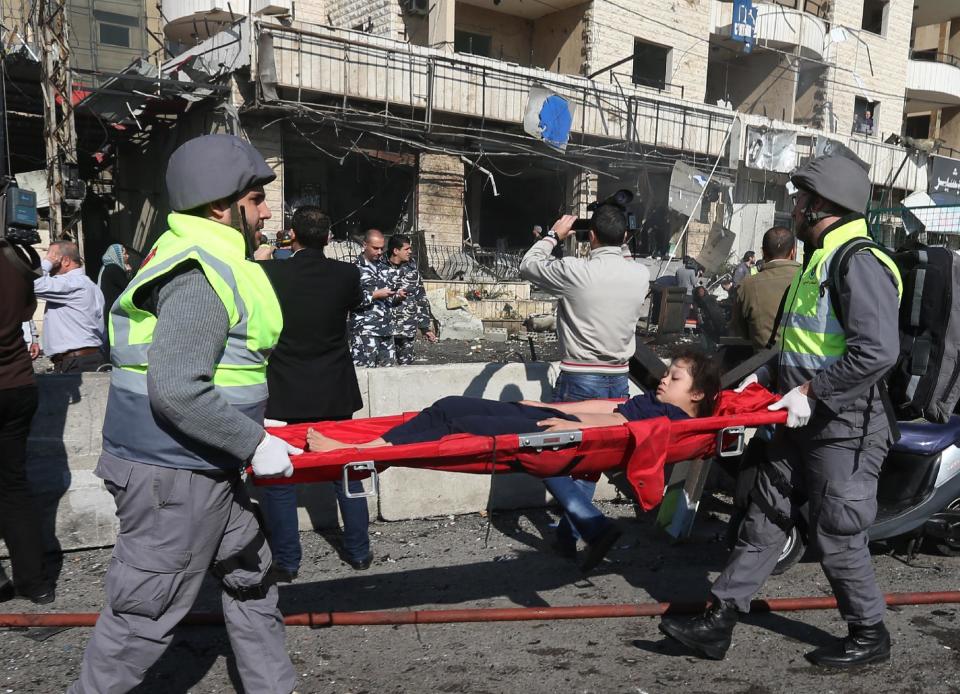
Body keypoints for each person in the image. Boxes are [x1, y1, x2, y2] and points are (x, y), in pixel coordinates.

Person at [69, 134, 298, 694]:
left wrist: (249, 424)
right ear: (221, 206)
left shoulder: (207, 258)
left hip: (199, 465)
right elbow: (175, 390)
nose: (267, 210)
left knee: (252, 579)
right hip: (173, 479)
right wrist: (252, 443)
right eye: (255, 198)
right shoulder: (198, 272)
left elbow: (212, 373)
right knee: (142, 618)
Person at [659, 154, 902, 668]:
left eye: (801, 197)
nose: (793, 206)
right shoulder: (817, 261)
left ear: (823, 204)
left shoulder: (858, 261)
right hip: (796, 418)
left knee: (837, 530)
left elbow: (876, 352)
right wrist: (764, 377)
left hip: (845, 428)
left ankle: (869, 632)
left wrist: (812, 393)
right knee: (765, 517)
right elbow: (800, 344)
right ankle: (719, 620)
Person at [519, 204, 650, 572]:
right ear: (626, 238)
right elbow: (621, 262)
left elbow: (528, 265)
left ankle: (586, 523)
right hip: (618, 378)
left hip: (580, 376)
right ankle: (568, 535)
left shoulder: (577, 271)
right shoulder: (639, 274)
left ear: (590, 236)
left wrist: (553, 235)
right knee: (592, 459)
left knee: (544, 451)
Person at [306, 348, 719, 452]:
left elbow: (625, 428)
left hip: (559, 435)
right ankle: (364, 445)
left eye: (674, 377)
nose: (663, 379)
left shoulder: (673, 420)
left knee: (453, 420)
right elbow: (614, 407)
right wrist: (552, 408)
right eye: (666, 373)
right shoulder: (655, 401)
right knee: (450, 403)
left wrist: (574, 427)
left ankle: (356, 449)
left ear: (696, 394)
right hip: (553, 419)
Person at [258, 205, 374, 576]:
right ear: (328, 237)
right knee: (346, 470)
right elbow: (357, 306)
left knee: (278, 477)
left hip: (284, 389)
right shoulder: (345, 273)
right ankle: (358, 551)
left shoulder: (269, 272)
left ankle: (288, 561)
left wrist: (260, 255)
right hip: (333, 389)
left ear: (291, 235)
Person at [0, 236, 55, 605]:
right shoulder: (15, 258)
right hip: (18, 385)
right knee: (13, 487)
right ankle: (35, 584)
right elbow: (25, 311)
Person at [33, 241, 106, 373]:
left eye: (52, 256)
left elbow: (32, 284)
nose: (49, 260)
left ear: (66, 260)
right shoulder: (92, 286)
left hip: (76, 362)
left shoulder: (72, 283)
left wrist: (47, 263)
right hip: (85, 359)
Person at [728, 226, 801, 351]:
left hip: (763, 363)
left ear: (763, 252)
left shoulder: (747, 285)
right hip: (810, 365)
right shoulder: (812, 277)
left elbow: (739, 331)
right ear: (793, 251)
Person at [386, 233, 437, 364]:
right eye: (407, 249)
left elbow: (421, 298)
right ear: (396, 251)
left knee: (406, 368)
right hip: (385, 329)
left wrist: (425, 327)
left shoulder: (412, 270)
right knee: (384, 369)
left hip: (406, 328)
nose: (410, 251)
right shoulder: (380, 268)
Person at [350, 228, 398, 367]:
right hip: (364, 333)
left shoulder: (385, 269)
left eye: (382, 248)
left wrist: (397, 296)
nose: (379, 252)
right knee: (364, 376)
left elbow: (389, 299)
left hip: (386, 331)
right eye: (375, 248)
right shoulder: (353, 269)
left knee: (387, 377)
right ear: (364, 245)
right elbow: (350, 300)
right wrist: (375, 295)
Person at [97, 243, 131, 355]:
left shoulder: (107, 267)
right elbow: (128, 288)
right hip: (114, 310)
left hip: (108, 309)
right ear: (117, 255)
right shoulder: (114, 269)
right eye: (124, 253)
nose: (127, 256)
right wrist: (129, 273)